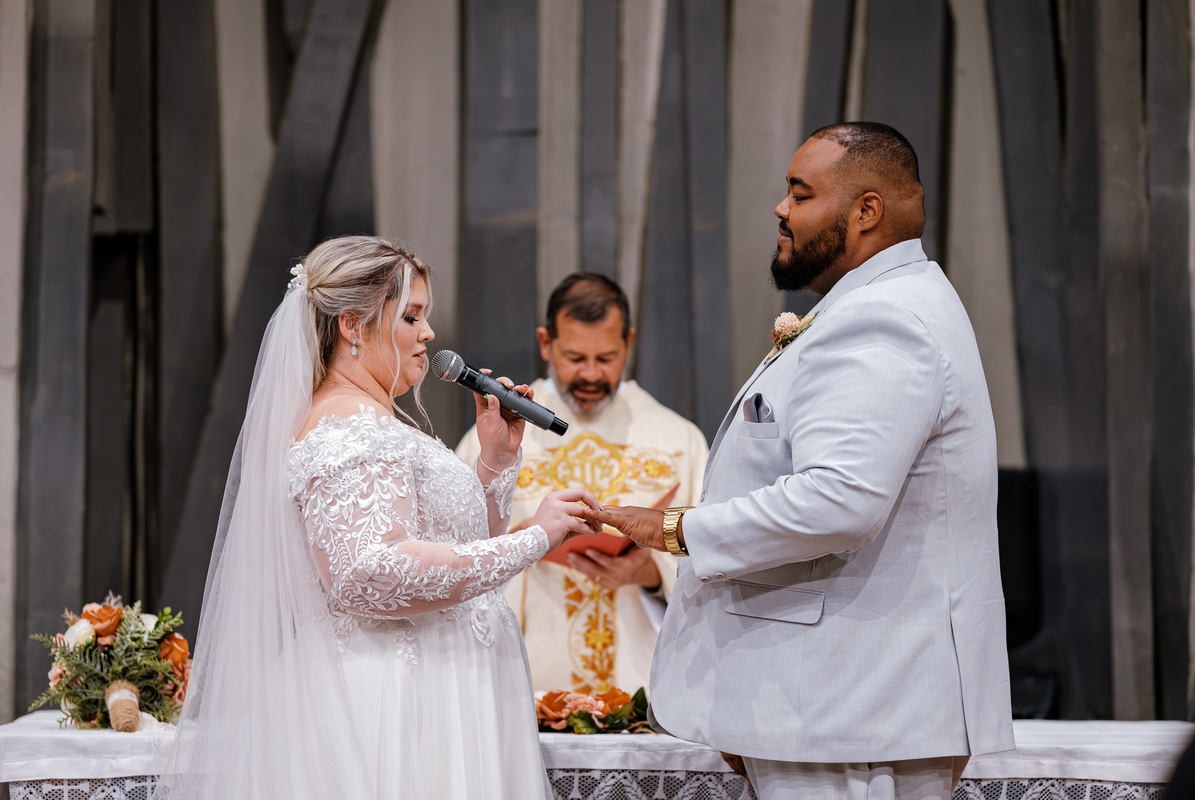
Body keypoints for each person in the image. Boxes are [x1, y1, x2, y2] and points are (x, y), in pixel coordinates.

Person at [587, 123, 1015, 800]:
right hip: (845, 707)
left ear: (865, 212)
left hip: (852, 708)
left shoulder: (884, 320)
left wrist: (673, 527)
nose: (781, 210)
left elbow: (838, 501)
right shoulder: (890, 304)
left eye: (801, 192)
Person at [156, 236, 603, 800]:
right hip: (400, 696)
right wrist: (534, 539)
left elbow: (455, 551)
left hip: (445, 684)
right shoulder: (351, 428)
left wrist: (495, 459)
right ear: (353, 325)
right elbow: (370, 574)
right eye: (411, 315)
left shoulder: (369, 421)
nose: (429, 334)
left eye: (427, 316)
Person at [456, 273, 708, 695]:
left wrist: (651, 572)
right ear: (544, 343)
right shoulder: (500, 430)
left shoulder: (678, 441)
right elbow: (453, 547)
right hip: (525, 674)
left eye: (606, 357)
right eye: (574, 357)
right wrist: (523, 541)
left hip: (641, 676)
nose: (590, 374)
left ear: (629, 342)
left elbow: (714, 547)